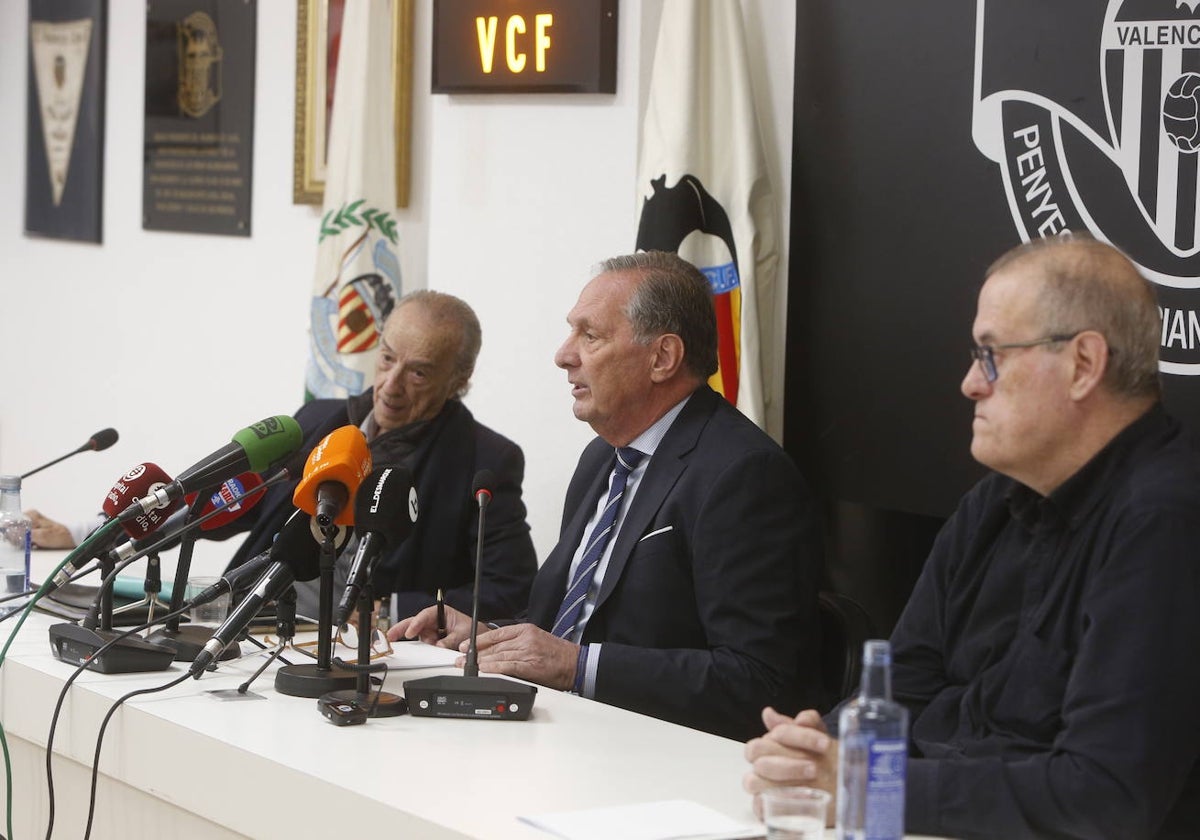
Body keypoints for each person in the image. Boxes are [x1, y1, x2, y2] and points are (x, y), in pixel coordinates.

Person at [744, 236, 1200, 838]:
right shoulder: (994, 499)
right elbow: (905, 683)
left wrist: (868, 786)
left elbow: (1105, 794)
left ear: (1083, 365)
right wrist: (814, 749)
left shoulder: (1164, 519)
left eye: (991, 355)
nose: (969, 384)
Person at [392, 251, 823, 741]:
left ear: (662, 357)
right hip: (558, 732)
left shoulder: (744, 475)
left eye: (590, 336)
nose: (563, 354)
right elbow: (575, 624)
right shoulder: (603, 457)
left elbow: (755, 683)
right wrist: (492, 636)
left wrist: (576, 666)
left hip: (652, 756)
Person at [31, 290, 538, 623]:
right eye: (386, 358)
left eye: (419, 373)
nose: (390, 385)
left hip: (359, 652)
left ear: (459, 381)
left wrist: (388, 609)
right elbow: (220, 507)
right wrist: (92, 534)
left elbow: (508, 590)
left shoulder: (482, 461)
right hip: (243, 620)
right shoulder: (319, 421)